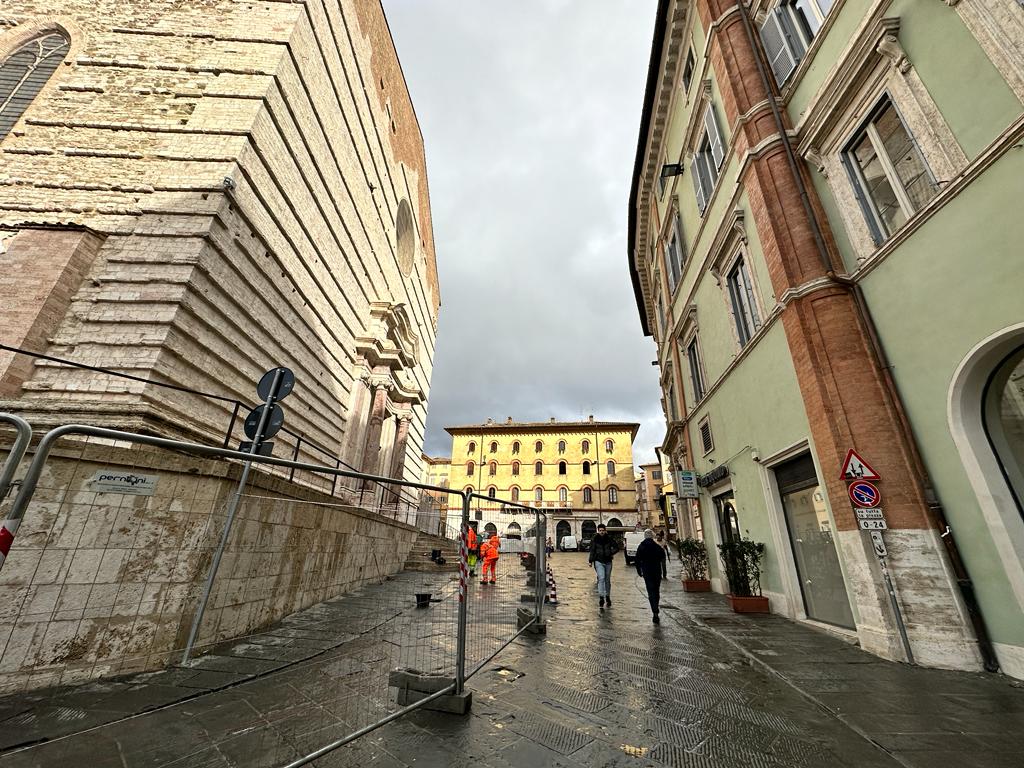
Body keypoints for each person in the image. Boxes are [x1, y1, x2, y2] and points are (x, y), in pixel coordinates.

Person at [636, 528, 668, 623]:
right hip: (657, 571)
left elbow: (637, 559)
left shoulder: (641, 546)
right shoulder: (656, 546)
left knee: (650, 591)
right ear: (652, 536)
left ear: (645, 536)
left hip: (647, 571)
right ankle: (656, 607)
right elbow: (662, 556)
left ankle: (654, 611)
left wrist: (639, 570)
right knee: (656, 590)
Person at [588, 524, 619, 608]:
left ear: (605, 530)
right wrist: (590, 561)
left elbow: (616, 547)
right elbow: (592, 550)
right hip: (598, 561)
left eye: (603, 530)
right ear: (598, 531)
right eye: (600, 530)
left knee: (607, 579)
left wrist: (611, 552)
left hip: (608, 561)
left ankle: (608, 596)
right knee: (601, 578)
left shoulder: (609, 538)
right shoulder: (595, 539)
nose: (601, 532)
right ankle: (601, 597)